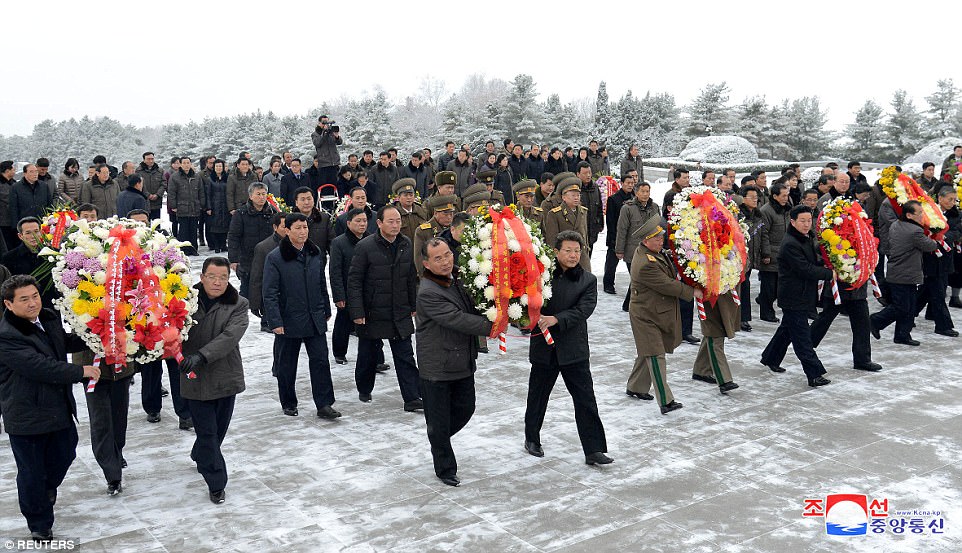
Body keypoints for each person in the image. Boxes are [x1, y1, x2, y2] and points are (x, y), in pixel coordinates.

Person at [0, 275, 100, 541]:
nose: (32, 303)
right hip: (26, 413)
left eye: (35, 296)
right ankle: (39, 523)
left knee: (65, 452)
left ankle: (44, 491)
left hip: (56, 407)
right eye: (24, 299)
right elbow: (40, 367)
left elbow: (61, 342)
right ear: (8, 305)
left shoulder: (47, 317)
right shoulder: (7, 336)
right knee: (31, 471)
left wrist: (95, 334)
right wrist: (81, 371)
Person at [524, 230, 611, 464]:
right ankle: (532, 438)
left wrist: (557, 319)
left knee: (585, 399)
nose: (573, 255)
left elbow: (584, 310)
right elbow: (527, 300)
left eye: (577, 251)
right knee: (538, 395)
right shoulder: (541, 274)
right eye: (568, 250)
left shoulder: (588, 280)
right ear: (556, 252)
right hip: (544, 345)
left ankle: (593, 449)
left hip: (573, 348)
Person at [416, 238, 493, 486]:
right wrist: (492, 325)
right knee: (438, 420)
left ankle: (438, 439)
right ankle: (445, 466)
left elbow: (474, 304)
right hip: (438, 366)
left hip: (461, 360)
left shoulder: (458, 278)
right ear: (426, 263)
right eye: (438, 258)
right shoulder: (428, 291)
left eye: (447, 255)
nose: (446, 261)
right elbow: (457, 319)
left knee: (465, 408)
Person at [177, 257, 249, 504]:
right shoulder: (185, 301)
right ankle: (216, 482)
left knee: (217, 432)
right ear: (202, 277)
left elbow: (230, 337)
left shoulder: (238, 304)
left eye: (223, 277)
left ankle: (200, 453)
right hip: (194, 377)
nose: (217, 283)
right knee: (207, 433)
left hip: (224, 376)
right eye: (212, 277)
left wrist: (201, 355)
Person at [347, 206, 423, 411]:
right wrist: (358, 312)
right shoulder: (365, 247)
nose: (396, 225)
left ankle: (412, 397)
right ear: (379, 223)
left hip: (399, 310)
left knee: (405, 355)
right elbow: (354, 281)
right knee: (368, 355)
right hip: (372, 311)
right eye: (391, 221)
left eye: (398, 221)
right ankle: (364, 388)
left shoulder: (405, 244)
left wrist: (412, 305)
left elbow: (410, 277)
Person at [263, 212, 338, 418]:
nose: (303, 232)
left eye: (305, 227)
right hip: (289, 319)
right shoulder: (275, 258)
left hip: (314, 316)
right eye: (297, 228)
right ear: (287, 231)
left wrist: (326, 307)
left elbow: (321, 283)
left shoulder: (315, 252)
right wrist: (275, 321)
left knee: (321, 361)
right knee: (287, 363)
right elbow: (269, 293)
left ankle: (324, 404)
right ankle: (288, 401)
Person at [625, 218, 694, 413]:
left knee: (647, 351)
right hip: (646, 315)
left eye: (661, 236)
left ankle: (635, 387)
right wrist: (691, 292)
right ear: (646, 240)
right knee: (656, 354)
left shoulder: (652, 253)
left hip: (653, 311)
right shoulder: (646, 263)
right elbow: (667, 284)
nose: (661, 240)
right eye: (656, 238)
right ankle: (666, 400)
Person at [760, 205, 834, 387]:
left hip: (802, 294)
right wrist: (829, 273)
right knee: (802, 338)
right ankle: (814, 374)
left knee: (787, 329)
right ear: (793, 222)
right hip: (794, 297)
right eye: (802, 221)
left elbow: (811, 260)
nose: (806, 224)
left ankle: (770, 358)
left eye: (809, 220)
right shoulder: (790, 243)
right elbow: (805, 269)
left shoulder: (804, 238)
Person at [870, 200, 940, 346]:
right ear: (909, 215)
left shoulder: (896, 224)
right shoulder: (914, 231)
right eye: (919, 213)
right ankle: (875, 321)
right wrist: (936, 237)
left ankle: (902, 335)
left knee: (909, 306)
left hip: (900, 272)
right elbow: (930, 246)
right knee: (901, 306)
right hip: (904, 273)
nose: (922, 216)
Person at [915, 186, 962, 337]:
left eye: (954, 200)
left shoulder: (956, 215)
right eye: (950, 199)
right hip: (929, 255)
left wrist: (942, 235)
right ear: (940, 198)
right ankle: (943, 325)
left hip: (945, 256)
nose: (952, 202)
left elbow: (957, 232)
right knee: (936, 291)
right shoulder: (928, 211)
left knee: (930, 290)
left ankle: (905, 314)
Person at [330, 208, 369, 364]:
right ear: (348, 223)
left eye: (364, 221)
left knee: (371, 325)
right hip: (347, 290)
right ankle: (339, 352)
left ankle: (376, 358)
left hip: (367, 289)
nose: (362, 224)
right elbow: (335, 271)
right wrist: (339, 295)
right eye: (358, 221)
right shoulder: (339, 242)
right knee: (343, 322)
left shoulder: (371, 239)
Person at [615, 180, 660, 312]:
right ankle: (630, 304)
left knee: (641, 278)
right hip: (632, 249)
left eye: (648, 191)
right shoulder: (627, 208)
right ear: (636, 192)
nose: (646, 194)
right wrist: (619, 249)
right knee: (636, 277)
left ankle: (632, 304)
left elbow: (658, 227)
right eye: (643, 191)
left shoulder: (654, 207)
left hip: (650, 249)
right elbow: (622, 230)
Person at [228, 183, 278, 299]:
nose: (261, 197)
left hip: (269, 257)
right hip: (247, 259)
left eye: (264, 194)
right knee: (246, 294)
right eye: (258, 194)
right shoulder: (241, 214)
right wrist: (233, 259)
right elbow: (233, 237)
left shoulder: (273, 212)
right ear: (250, 196)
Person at [2, 217, 57, 309]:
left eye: (36, 231)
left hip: (50, 307)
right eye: (28, 233)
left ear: (41, 232)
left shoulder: (54, 253)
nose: (33, 236)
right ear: (20, 236)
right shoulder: (9, 258)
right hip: (24, 308)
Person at [757, 182, 791, 322]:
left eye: (787, 195)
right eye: (783, 196)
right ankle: (766, 312)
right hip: (771, 253)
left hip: (784, 252)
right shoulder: (766, 211)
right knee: (769, 288)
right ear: (775, 196)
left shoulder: (787, 209)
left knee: (779, 286)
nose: (786, 198)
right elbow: (763, 234)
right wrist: (766, 254)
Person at [249, 212, 288, 333]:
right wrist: (255, 303)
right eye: (283, 226)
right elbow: (257, 277)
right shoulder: (264, 247)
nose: (287, 230)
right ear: (275, 227)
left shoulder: (297, 244)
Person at [542, 176, 591, 270]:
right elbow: (552, 240)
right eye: (573, 195)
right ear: (564, 197)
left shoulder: (583, 211)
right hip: (564, 258)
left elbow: (585, 235)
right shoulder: (555, 214)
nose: (576, 198)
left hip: (581, 256)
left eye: (578, 195)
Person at [603, 172, 635, 294]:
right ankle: (608, 284)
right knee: (611, 263)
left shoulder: (635, 198)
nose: (630, 185)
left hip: (631, 237)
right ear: (622, 184)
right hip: (616, 236)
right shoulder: (614, 199)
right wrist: (613, 239)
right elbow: (610, 222)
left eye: (632, 183)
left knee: (632, 264)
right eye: (628, 183)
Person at [738, 187, 763, 331]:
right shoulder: (738, 214)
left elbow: (763, 234)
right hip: (740, 256)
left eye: (756, 198)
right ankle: (740, 318)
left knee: (745, 287)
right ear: (743, 198)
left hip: (751, 255)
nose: (755, 200)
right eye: (752, 197)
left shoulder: (758, 214)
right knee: (742, 286)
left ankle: (744, 318)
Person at [414, 195, 458, 275]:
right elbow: (419, 259)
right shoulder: (423, 231)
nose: (449, 217)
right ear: (435, 213)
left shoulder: (454, 229)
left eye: (451, 214)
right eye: (445, 214)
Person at [292, 186, 333, 256]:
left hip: (319, 261)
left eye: (309, 199)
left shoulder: (324, 218)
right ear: (296, 202)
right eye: (303, 199)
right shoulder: (291, 220)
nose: (306, 202)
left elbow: (331, 243)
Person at [575, 162, 604, 253]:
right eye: (584, 173)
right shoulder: (575, 189)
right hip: (578, 231)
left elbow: (599, 207)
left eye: (589, 173)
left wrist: (600, 224)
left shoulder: (595, 187)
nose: (588, 175)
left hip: (592, 230)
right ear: (578, 174)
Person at [393, 178, 428, 244]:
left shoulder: (421, 211)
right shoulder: (395, 213)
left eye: (411, 195)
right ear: (398, 197)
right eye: (405, 195)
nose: (409, 197)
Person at [312, 115, 342, 186]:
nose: (325, 125)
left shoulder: (331, 133)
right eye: (323, 123)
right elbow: (317, 143)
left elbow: (339, 142)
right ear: (319, 123)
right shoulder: (316, 134)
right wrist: (324, 133)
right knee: (324, 185)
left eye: (327, 123)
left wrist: (337, 136)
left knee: (334, 184)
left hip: (334, 163)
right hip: (324, 164)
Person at [136, 152, 166, 220]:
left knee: (157, 225)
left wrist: (157, 194)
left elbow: (164, 184)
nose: (151, 161)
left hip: (157, 202)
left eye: (152, 159)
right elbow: (138, 185)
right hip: (144, 201)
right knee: (145, 224)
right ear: (144, 160)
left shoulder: (160, 171)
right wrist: (148, 195)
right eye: (148, 159)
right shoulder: (138, 171)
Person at [0, 160, 18, 250]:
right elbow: (8, 198)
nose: (14, 171)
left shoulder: (13, 183)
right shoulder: (2, 185)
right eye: (13, 169)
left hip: (14, 220)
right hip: (4, 221)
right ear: (7, 171)